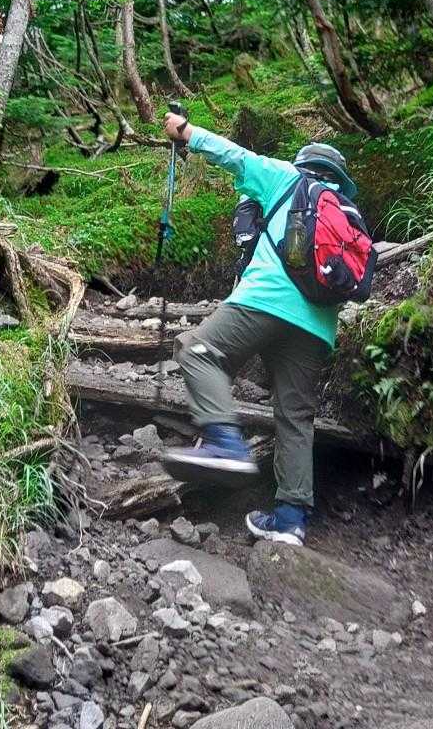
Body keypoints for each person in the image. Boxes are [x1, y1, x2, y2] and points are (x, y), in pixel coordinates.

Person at [160, 109, 357, 547]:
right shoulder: (345, 210)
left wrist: (186, 132)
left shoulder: (286, 177)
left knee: (197, 350)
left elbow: (234, 156)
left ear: (304, 163)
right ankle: (290, 519)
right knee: (295, 416)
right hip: (318, 326)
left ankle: (224, 442)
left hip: (266, 300)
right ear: (338, 177)